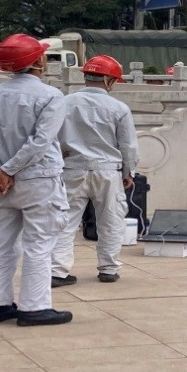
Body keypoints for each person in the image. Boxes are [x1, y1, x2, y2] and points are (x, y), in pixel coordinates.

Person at [0, 33, 72, 327]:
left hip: (0, 184)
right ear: (38, 62)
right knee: (39, 243)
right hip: (39, 180)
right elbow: (40, 142)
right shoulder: (50, 96)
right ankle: (34, 308)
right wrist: (8, 170)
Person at [52, 55, 139, 286]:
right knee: (110, 221)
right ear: (110, 80)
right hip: (107, 171)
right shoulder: (119, 108)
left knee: (65, 222)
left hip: (71, 169)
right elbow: (128, 145)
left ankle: (57, 271)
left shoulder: (64, 103)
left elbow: (50, 135)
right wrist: (128, 172)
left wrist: (58, 154)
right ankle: (108, 269)